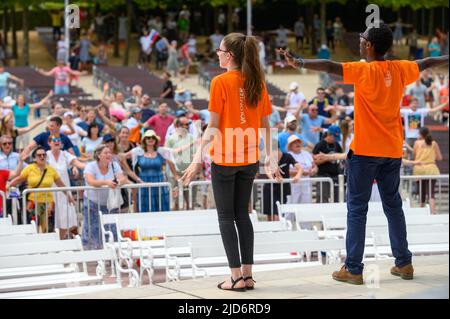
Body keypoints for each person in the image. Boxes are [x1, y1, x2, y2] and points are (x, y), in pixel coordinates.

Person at [279, 22, 449, 284]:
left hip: (365, 152)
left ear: (369, 45)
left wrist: (299, 62)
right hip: (392, 151)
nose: (360, 40)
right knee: (394, 207)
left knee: (357, 209)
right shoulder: (401, 69)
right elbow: (428, 61)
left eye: (362, 38)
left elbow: (328, 66)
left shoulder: (362, 70)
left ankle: (354, 269)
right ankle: (404, 264)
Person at [181, 33, 282, 291]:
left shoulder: (220, 82)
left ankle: (235, 277)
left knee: (226, 218)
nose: (217, 53)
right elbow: (266, 126)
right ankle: (247, 275)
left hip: (225, 160)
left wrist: (195, 160)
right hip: (249, 160)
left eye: (219, 50)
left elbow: (212, 127)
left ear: (230, 55)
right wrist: (271, 158)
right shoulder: (257, 81)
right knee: (242, 216)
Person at [9, 147, 71, 233]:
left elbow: (60, 184)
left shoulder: (51, 169)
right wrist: (7, 186)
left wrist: (69, 196)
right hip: (32, 203)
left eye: (44, 155)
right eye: (39, 155)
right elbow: (19, 179)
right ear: (34, 158)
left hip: (48, 203)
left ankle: (48, 246)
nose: (42, 157)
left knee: (48, 229)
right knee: (32, 229)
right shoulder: (29, 168)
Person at [83, 145, 127, 249]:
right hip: (92, 202)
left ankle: (113, 252)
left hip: (110, 203)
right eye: (105, 153)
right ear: (99, 155)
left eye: (109, 152)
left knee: (112, 228)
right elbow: (91, 181)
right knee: (93, 228)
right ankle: (96, 253)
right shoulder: (90, 166)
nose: (109, 155)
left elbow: (123, 178)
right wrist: (107, 182)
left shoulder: (114, 165)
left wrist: (118, 182)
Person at [47, 135, 85, 239]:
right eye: (54, 140)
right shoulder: (45, 155)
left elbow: (78, 163)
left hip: (64, 193)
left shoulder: (65, 154)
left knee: (66, 218)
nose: (57, 141)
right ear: (49, 143)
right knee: (52, 219)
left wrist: (92, 166)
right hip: (50, 192)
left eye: (59, 140)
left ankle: (63, 241)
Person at [130, 130, 170, 212]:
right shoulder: (138, 152)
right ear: (144, 140)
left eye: (153, 138)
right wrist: (130, 173)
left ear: (156, 140)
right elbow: (121, 157)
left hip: (159, 182)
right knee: (145, 205)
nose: (150, 139)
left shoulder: (161, 152)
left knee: (161, 205)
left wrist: (175, 175)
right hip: (144, 182)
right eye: (148, 138)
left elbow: (171, 160)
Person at [413, 128, 442, 214]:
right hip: (431, 169)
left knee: (421, 193)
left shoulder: (417, 143)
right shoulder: (434, 143)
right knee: (431, 193)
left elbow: (414, 154)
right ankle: (433, 213)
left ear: (420, 134)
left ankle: (421, 215)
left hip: (419, 170)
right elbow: (439, 157)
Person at [287, 135, 317, 204]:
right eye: (294, 142)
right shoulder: (288, 155)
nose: (297, 144)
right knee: (292, 203)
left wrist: (313, 171)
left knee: (306, 203)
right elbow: (286, 171)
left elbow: (315, 166)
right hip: (293, 183)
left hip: (306, 183)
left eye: (298, 142)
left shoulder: (307, 154)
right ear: (290, 145)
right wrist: (301, 173)